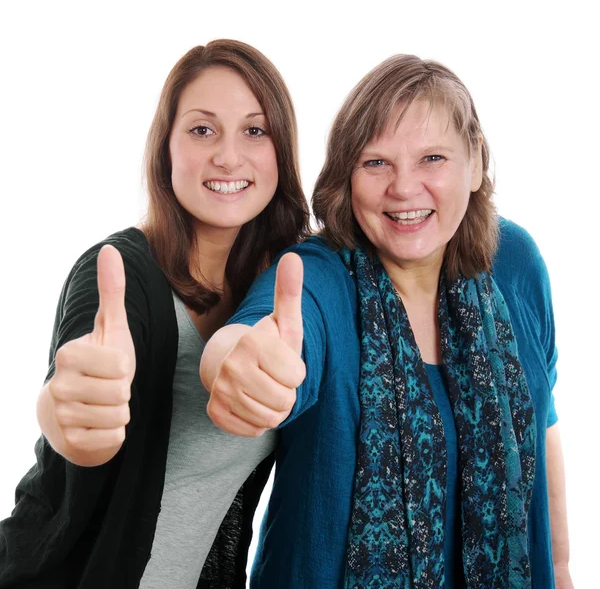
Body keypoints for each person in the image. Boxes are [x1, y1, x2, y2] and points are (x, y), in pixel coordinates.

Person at [202, 55, 572, 588]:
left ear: (474, 162)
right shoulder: (317, 278)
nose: (404, 188)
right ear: (346, 176)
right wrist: (238, 368)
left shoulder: (513, 259)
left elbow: (544, 425)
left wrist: (561, 570)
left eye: (433, 158)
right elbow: (249, 342)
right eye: (376, 163)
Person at [0, 39, 309, 589]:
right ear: (165, 148)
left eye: (254, 130)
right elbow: (72, 392)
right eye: (201, 129)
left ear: (281, 149)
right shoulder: (116, 272)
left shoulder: (282, 288)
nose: (228, 156)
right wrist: (67, 413)